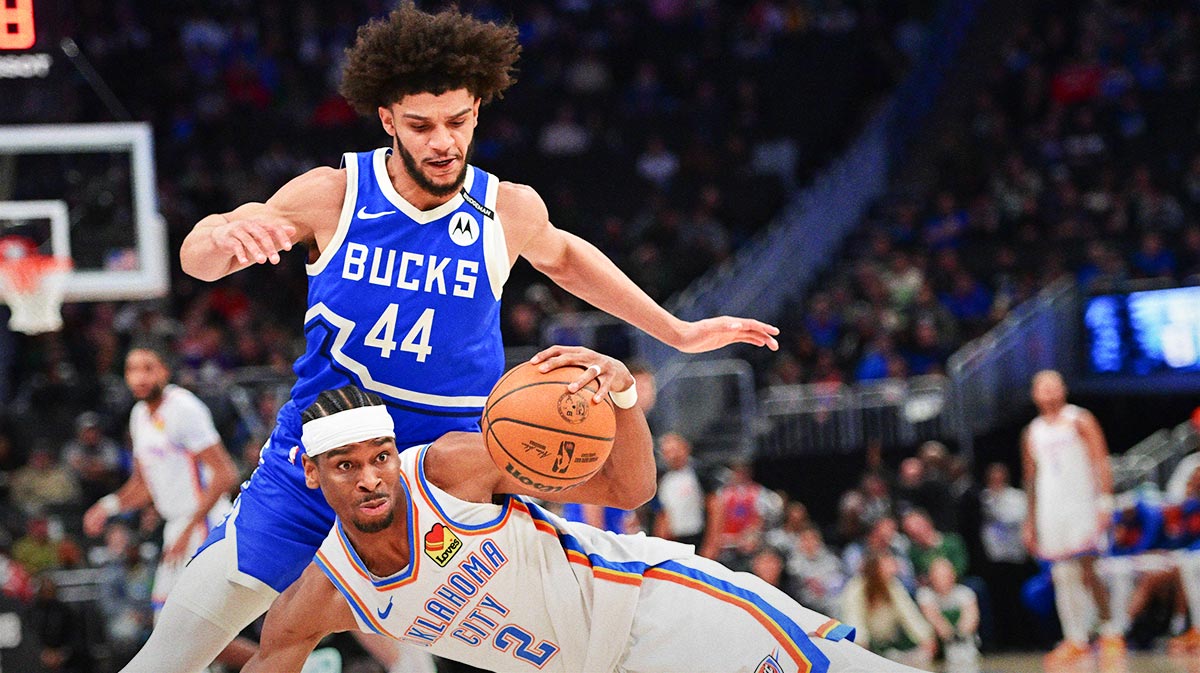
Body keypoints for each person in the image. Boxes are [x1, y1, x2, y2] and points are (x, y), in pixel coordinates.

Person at [126, 4, 780, 672]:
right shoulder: (334, 194)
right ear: (387, 119)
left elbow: (564, 256)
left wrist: (674, 329)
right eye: (421, 125)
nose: (443, 140)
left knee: (490, 645)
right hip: (318, 460)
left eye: (459, 120)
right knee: (174, 651)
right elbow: (203, 252)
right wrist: (220, 236)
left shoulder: (507, 208)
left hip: (448, 476)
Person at [245, 372, 924, 672]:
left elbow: (629, 485)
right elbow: (274, 656)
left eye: (379, 457)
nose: (369, 477)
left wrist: (623, 400)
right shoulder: (325, 593)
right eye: (344, 465)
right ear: (311, 472)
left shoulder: (450, 468)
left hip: (655, 611)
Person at [82, 347, 252, 666]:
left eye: (148, 368)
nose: (140, 377)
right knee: (181, 631)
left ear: (164, 371)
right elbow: (144, 486)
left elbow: (225, 473)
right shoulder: (138, 416)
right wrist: (106, 506)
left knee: (183, 630)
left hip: (205, 522)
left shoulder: (184, 408)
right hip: (179, 526)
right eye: (132, 369)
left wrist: (189, 529)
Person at [1020, 369, 1122, 664]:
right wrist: (1030, 520)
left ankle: (1110, 630)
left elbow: (1100, 461)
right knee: (1062, 574)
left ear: (1063, 389)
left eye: (1054, 385)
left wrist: (1105, 502)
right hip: (1052, 508)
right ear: (1034, 393)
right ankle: (1075, 638)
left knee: (1089, 569)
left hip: (1082, 503)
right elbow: (1030, 479)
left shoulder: (1080, 419)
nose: (1049, 392)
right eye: (1042, 387)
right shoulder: (1033, 431)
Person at [840, 551, 935, 669]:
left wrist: (926, 637)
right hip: (865, 647)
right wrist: (861, 648)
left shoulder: (893, 585)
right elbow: (854, 620)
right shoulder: (856, 588)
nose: (894, 568)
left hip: (891, 646)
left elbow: (909, 613)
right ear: (875, 568)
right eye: (888, 564)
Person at [916, 557, 980, 672]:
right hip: (938, 642)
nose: (941, 580)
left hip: (963, 640)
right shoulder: (925, 594)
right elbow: (932, 617)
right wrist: (948, 635)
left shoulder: (965, 593)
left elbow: (971, 616)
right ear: (931, 578)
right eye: (937, 576)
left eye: (944, 576)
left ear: (953, 576)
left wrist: (961, 634)